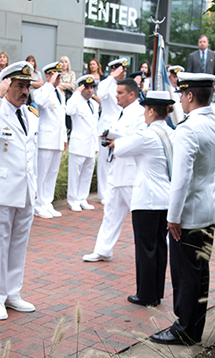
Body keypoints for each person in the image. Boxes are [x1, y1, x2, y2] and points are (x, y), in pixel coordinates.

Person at [150, 72, 215, 346]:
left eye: (182, 95)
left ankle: (184, 328)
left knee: (185, 275)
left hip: (190, 213)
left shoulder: (188, 128)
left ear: (190, 95)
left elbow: (181, 177)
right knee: (200, 273)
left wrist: (173, 217)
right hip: (210, 207)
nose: (180, 100)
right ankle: (193, 328)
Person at [0, 61, 39, 321]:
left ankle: (13, 293)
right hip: (0, 189)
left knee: (18, 244)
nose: (24, 91)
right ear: (6, 85)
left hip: (24, 189)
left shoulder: (29, 114)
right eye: (19, 86)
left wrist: (34, 187)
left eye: (27, 86)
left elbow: (32, 155)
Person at [107, 91, 174, 307]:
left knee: (145, 248)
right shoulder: (172, 133)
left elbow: (120, 149)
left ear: (152, 111)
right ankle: (156, 292)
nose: (144, 114)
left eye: (146, 110)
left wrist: (113, 141)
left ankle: (146, 294)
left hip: (146, 200)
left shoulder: (147, 134)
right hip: (166, 198)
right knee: (160, 248)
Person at [82, 78, 145, 262]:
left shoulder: (140, 113)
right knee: (110, 212)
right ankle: (103, 250)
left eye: (120, 93)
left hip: (131, 173)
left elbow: (140, 138)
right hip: (116, 170)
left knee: (141, 215)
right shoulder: (122, 112)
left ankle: (161, 245)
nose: (116, 96)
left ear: (131, 94)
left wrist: (117, 140)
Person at [33, 61, 68, 219]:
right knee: (42, 173)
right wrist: (50, 84)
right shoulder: (41, 91)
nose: (58, 78)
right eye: (56, 75)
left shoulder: (60, 93)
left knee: (52, 173)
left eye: (60, 75)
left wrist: (64, 138)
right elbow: (40, 102)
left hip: (57, 139)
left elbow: (62, 118)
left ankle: (47, 202)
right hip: (45, 139)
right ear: (47, 75)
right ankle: (38, 204)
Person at [96, 58, 128, 203]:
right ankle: (103, 194)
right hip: (106, 126)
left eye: (125, 71)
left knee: (115, 161)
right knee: (104, 162)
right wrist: (112, 76)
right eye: (121, 70)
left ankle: (111, 190)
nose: (124, 73)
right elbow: (101, 93)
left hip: (118, 126)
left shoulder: (123, 86)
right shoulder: (107, 83)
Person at [66, 75, 100, 212]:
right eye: (87, 88)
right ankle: (73, 200)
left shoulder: (94, 104)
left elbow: (94, 126)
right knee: (75, 174)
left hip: (91, 144)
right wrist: (76, 93)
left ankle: (82, 198)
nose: (90, 90)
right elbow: (69, 110)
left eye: (92, 88)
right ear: (81, 88)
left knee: (87, 173)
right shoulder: (75, 101)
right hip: (79, 144)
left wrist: (96, 144)